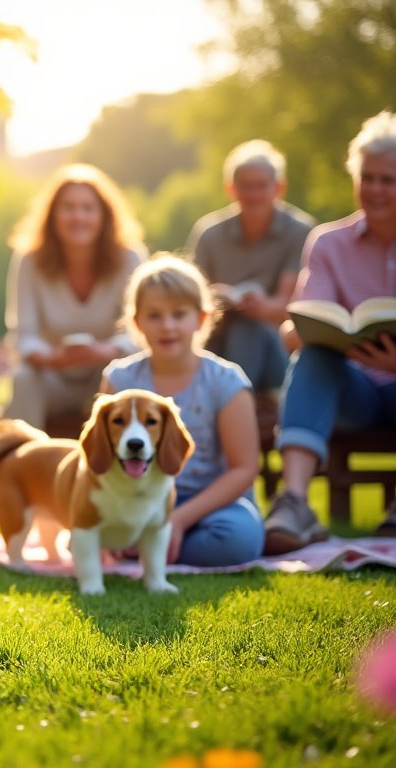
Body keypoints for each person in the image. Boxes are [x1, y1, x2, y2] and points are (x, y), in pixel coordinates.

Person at [263, 110, 396, 553]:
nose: (376, 189)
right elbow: (299, 323)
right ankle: (296, 503)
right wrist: (305, 332)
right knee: (312, 358)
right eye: (368, 178)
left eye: (388, 180)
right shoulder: (327, 243)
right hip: (354, 392)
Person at [101, 255, 264, 566]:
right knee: (87, 528)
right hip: (136, 500)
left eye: (179, 314)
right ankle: (146, 544)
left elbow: (244, 469)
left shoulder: (226, 381)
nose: (167, 326)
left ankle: (151, 546)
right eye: (154, 315)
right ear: (137, 323)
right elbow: (104, 455)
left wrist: (177, 519)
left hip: (210, 505)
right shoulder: (119, 379)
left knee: (237, 541)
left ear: (201, 319)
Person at [3, 164, 146, 428]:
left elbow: (140, 332)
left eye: (88, 208)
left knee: (129, 373)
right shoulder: (29, 261)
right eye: (68, 207)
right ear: (52, 216)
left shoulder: (130, 258)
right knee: (23, 377)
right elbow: (23, 335)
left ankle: (115, 466)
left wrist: (105, 350)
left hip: (106, 373)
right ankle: (24, 462)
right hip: (51, 376)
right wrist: (51, 357)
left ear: (104, 216)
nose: (78, 217)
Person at [186, 140, 315, 393]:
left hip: (274, 346)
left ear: (279, 188)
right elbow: (188, 299)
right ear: (231, 189)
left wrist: (261, 307)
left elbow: (289, 306)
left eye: (261, 186)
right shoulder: (209, 233)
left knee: (248, 329)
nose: (253, 195)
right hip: (215, 337)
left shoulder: (300, 231)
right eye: (246, 186)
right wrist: (220, 296)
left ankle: (234, 403)